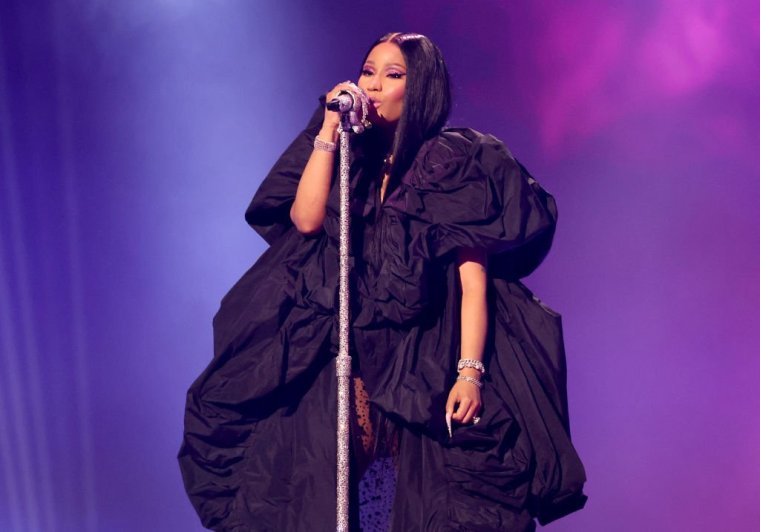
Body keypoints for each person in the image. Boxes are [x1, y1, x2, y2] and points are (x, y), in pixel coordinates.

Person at [179, 32, 587, 531]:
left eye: (392, 75)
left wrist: (469, 372)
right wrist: (330, 127)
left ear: (420, 89)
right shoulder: (352, 157)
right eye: (368, 71)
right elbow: (305, 220)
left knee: (436, 499)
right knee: (310, 477)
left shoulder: (452, 162)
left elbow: (473, 282)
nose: (372, 85)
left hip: (422, 360)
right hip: (351, 356)